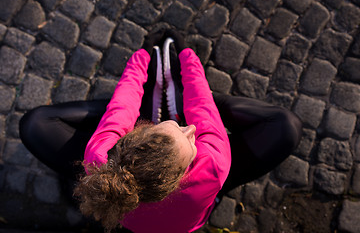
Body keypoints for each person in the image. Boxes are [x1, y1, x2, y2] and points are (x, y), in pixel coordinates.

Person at [19, 29, 302, 233]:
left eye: (181, 129)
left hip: (137, 168)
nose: (192, 129)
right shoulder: (213, 167)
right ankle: (171, 101)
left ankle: (151, 106)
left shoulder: (100, 158)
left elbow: (121, 107)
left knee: (34, 126)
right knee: (286, 128)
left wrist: (142, 57)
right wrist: (188, 57)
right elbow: (203, 113)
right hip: (200, 197)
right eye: (187, 136)